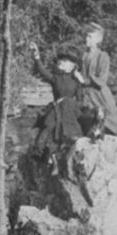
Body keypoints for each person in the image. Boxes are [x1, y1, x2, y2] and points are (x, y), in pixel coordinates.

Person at [30, 44, 84, 176]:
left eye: (65, 61)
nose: (61, 62)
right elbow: (42, 71)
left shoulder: (76, 81)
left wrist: (82, 84)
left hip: (71, 110)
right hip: (57, 109)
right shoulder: (55, 78)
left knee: (73, 133)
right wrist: (36, 57)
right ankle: (48, 157)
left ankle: (71, 162)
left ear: (73, 66)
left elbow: (81, 99)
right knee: (49, 127)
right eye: (60, 60)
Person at [81, 23, 117, 148]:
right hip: (87, 94)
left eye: (90, 37)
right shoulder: (84, 56)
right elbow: (82, 76)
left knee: (112, 121)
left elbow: (102, 80)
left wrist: (84, 81)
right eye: (86, 36)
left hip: (100, 95)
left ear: (98, 40)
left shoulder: (103, 56)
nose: (87, 39)